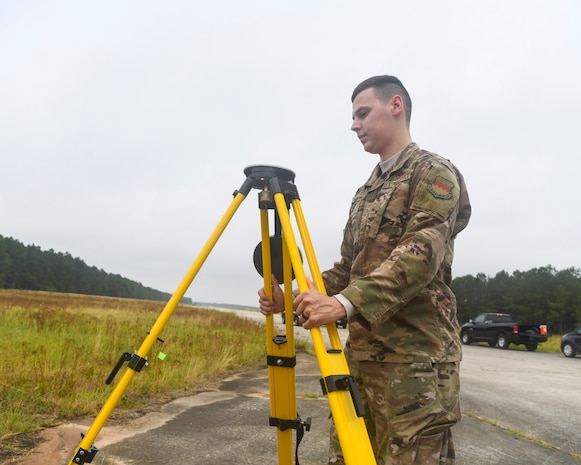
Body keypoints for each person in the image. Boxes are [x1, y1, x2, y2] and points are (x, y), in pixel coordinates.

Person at [258, 75, 471, 465]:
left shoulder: (433, 173)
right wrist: (291, 302)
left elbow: (421, 255)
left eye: (362, 113)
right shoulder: (366, 192)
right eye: (353, 116)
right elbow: (346, 269)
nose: (354, 125)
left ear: (395, 106)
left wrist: (342, 304)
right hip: (362, 360)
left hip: (415, 365)